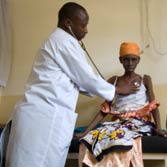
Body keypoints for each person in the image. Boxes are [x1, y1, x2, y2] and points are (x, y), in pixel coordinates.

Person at [0, 2, 138, 167]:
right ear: (68, 23)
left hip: (42, 117)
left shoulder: (59, 41)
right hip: (43, 119)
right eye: (83, 25)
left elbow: (81, 82)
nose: (86, 30)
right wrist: (117, 89)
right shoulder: (63, 41)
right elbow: (87, 78)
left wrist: (105, 89)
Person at [75, 42, 165, 167]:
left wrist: (158, 128)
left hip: (139, 123)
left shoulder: (145, 79)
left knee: (119, 137)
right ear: (120, 60)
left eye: (133, 59)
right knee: (91, 138)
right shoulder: (114, 81)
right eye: (126, 59)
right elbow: (104, 110)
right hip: (118, 123)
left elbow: (153, 106)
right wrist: (86, 131)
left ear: (138, 60)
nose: (130, 63)